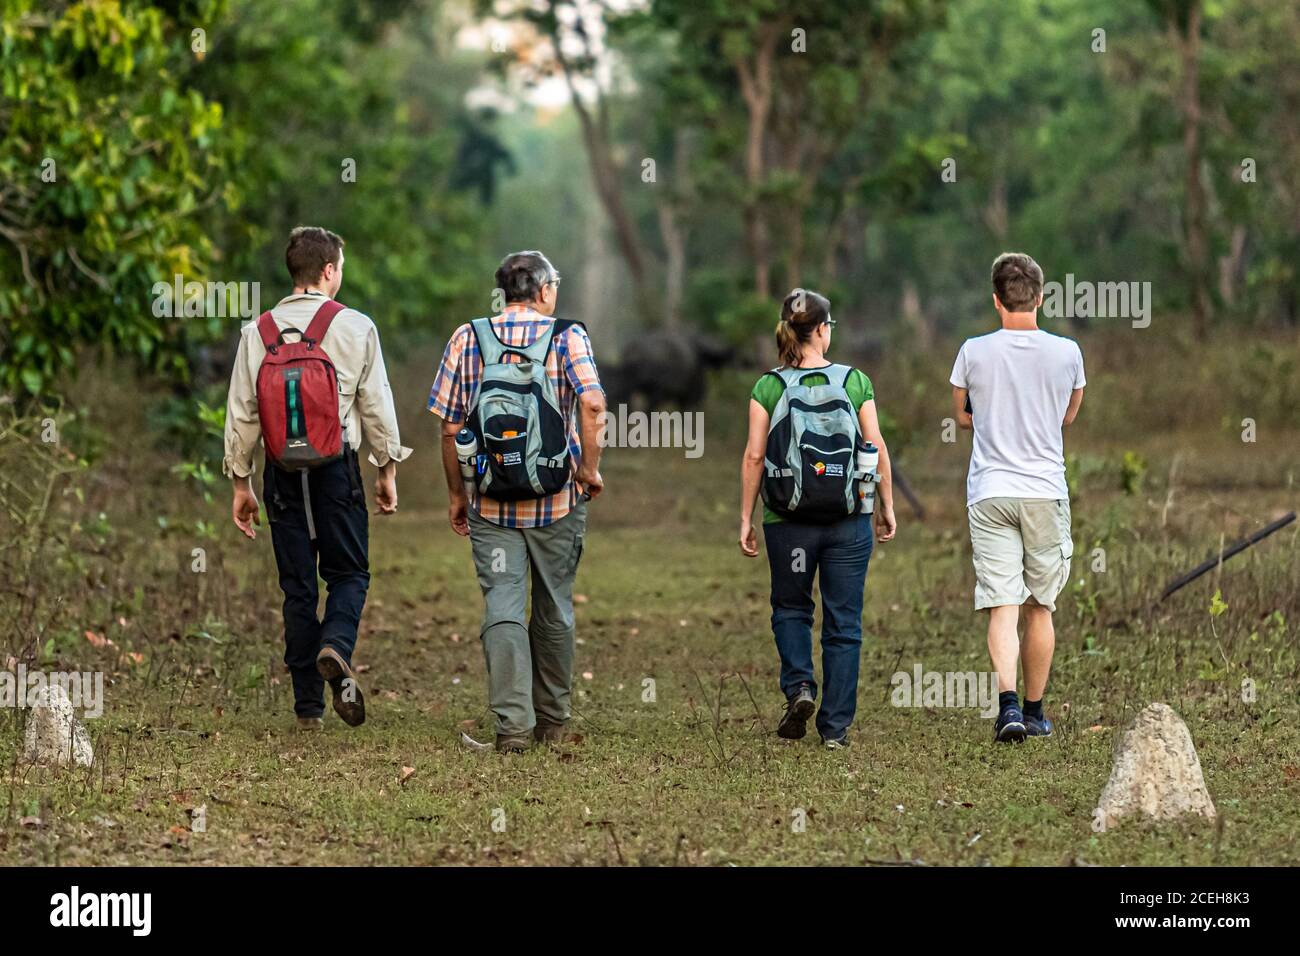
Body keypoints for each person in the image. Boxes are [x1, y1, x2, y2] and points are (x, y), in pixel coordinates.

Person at [224, 226, 410, 731]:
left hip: (282, 474)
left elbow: (242, 414)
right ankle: (337, 646)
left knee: (298, 588)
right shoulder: (354, 327)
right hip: (336, 470)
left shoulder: (256, 332)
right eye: (340, 268)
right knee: (349, 574)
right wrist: (385, 469)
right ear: (329, 271)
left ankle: (308, 709)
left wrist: (241, 483)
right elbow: (376, 405)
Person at [429, 251, 606, 754]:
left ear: (503, 292)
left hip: (491, 502)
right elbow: (593, 403)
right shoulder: (568, 337)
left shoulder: (468, 337)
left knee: (502, 606)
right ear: (546, 291)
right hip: (558, 500)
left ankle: (512, 730)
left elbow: (448, 427)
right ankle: (552, 722)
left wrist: (457, 494)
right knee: (554, 606)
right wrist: (589, 469)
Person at [739, 289, 897, 749]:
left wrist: (745, 518)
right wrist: (885, 506)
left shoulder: (768, 386)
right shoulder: (855, 382)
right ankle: (835, 729)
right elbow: (875, 447)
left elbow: (753, 456)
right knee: (843, 622)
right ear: (824, 330)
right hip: (848, 519)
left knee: (791, 608)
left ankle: (800, 687)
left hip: (787, 520)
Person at [950, 252, 1085, 743]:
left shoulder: (973, 351)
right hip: (1044, 492)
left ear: (996, 301)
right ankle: (1034, 711)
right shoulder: (1068, 353)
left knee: (1002, 605)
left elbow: (964, 417)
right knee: (1039, 607)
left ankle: (1006, 707)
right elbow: (1068, 416)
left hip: (990, 492)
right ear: (1041, 297)